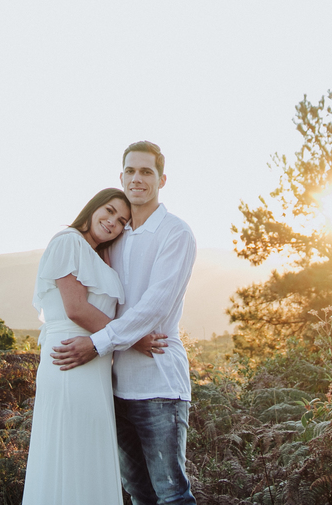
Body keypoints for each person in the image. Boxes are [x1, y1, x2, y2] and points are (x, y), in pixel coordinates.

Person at [51, 141, 198, 505]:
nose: (137, 179)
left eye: (146, 171)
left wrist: (97, 343)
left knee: (172, 495)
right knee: (138, 494)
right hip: (114, 386)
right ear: (121, 177)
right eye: (130, 171)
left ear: (162, 180)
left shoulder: (176, 233)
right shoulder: (116, 236)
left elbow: (154, 306)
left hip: (158, 383)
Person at [21, 187, 165, 505]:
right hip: (70, 358)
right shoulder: (68, 241)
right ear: (94, 207)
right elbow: (76, 309)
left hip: (96, 364)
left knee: (88, 453)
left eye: (122, 221)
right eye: (109, 211)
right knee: (70, 451)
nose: (113, 222)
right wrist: (133, 338)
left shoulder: (98, 256)